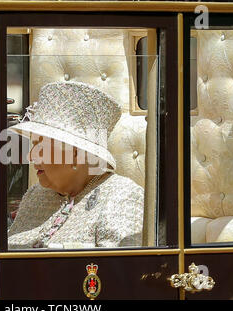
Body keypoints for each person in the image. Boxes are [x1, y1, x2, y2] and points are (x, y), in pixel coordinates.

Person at [7, 81, 144, 249]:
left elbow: (119, 268)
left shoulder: (123, 195)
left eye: (41, 147)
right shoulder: (35, 195)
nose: (31, 155)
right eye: (33, 145)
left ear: (76, 153)